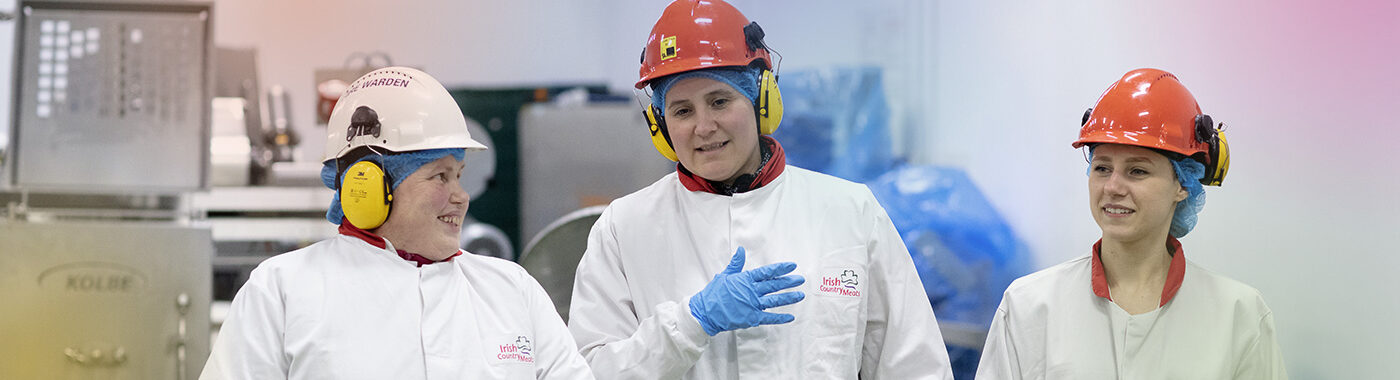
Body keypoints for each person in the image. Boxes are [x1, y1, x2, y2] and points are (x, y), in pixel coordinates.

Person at [567, 1, 954, 378]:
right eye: (682, 111)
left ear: (761, 100)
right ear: (661, 125)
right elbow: (590, 371)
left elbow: (914, 365)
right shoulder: (625, 228)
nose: (703, 127)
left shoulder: (851, 212)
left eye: (719, 101)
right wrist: (690, 324)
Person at [201, 67, 593, 380]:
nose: (461, 196)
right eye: (440, 176)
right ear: (368, 184)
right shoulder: (283, 291)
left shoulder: (511, 290)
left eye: (459, 174)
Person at [975, 68, 1287, 379]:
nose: (1112, 187)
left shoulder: (1239, 315)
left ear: (1183, 184)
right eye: (1101, 168)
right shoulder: (1029, 306)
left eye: (1137, 171)